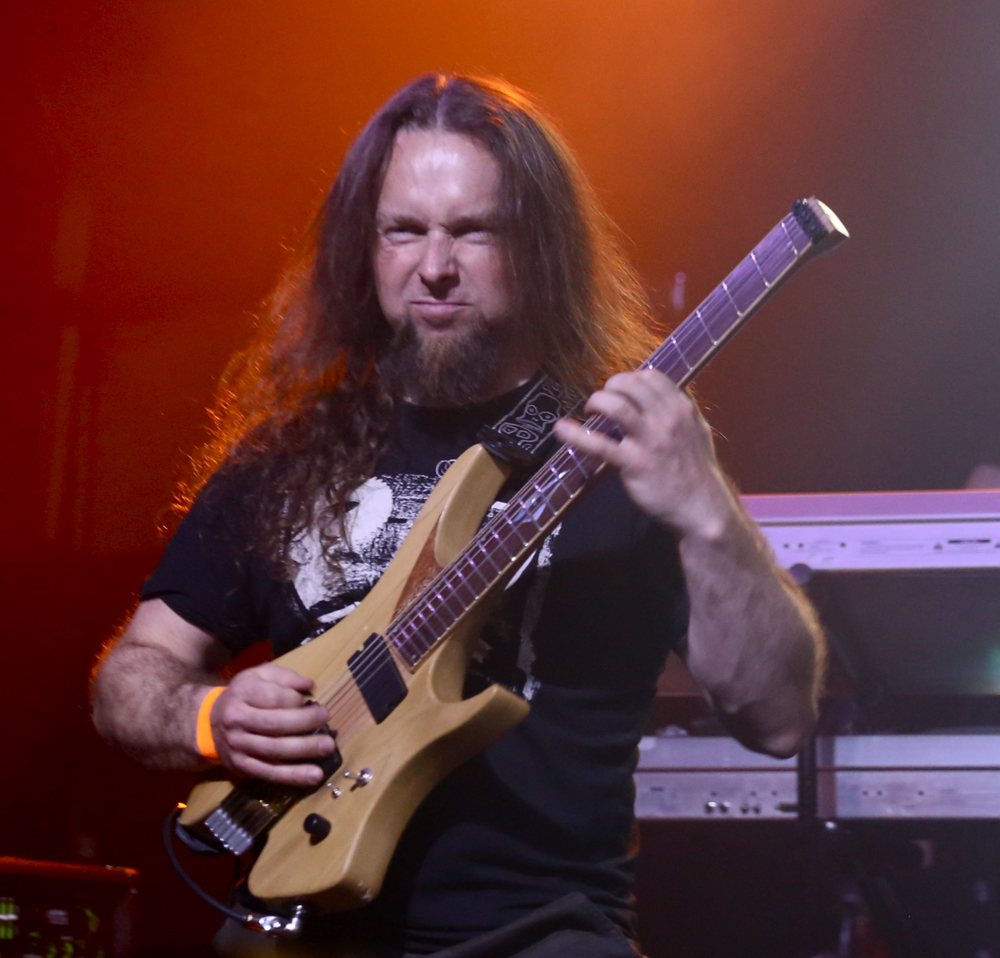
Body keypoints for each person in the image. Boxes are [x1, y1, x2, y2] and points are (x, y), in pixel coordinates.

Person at [91, 73, 824, 958]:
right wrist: (207, 717)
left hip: (537, 934)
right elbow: (132, 677)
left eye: (474, 231)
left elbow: (778, 715)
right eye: (404, 230)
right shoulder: (286, 455)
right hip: (297, 921)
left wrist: (707, 511)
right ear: (364, 248)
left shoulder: (626, 449)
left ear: (539, 247)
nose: (434, 266)